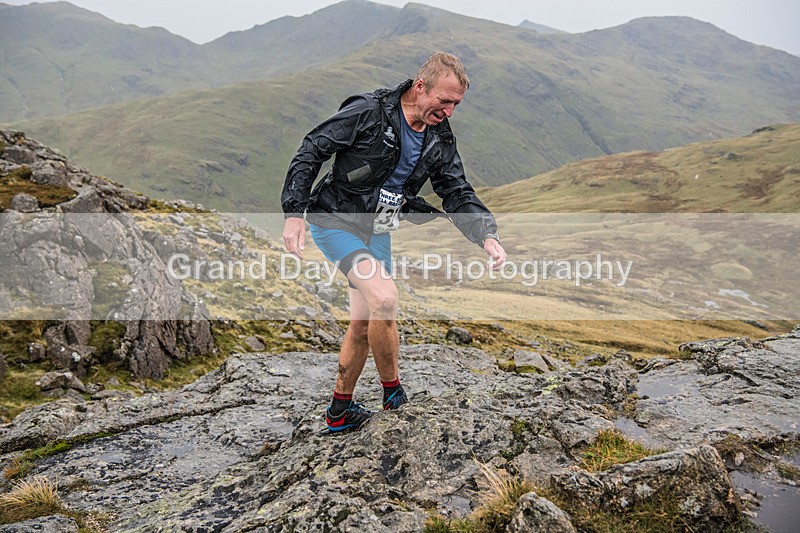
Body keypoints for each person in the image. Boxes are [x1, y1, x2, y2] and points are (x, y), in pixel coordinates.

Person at [282, 52, 506, 432]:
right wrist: (293, 211)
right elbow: (313, 148)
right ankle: (393, 395)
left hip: (379, 228)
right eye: (444, 101)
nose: (449, 112)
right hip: (335, 220)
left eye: (456, 104)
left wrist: (486, 234)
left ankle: (339, 412)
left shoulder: (438, 137)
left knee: (363, 322)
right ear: (420, 87)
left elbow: (455, 189)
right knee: (385, 298)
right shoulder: (369, 111)